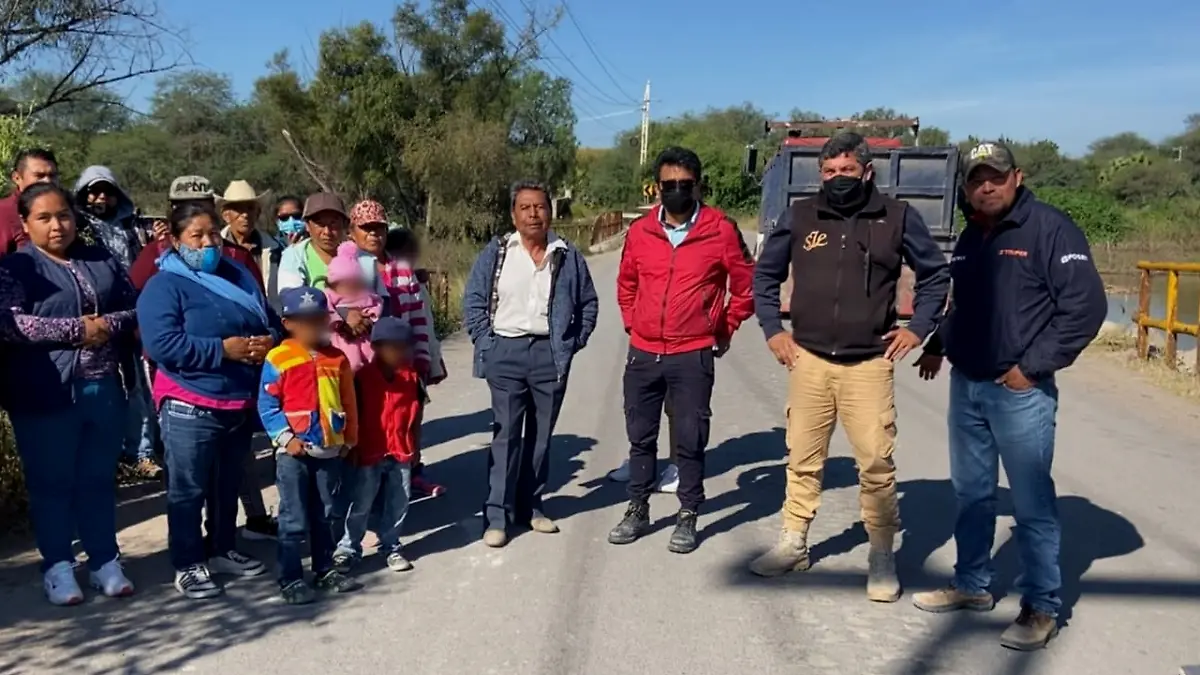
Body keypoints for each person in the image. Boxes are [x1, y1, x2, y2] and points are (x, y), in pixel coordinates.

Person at [910, 142, 1106, 650]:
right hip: (968, 386)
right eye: (977, 180)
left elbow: (1085, 308)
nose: (986, 187)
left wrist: (1031, 368)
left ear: (1016, 177)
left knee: (1031, 504)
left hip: (1019, 392)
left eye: (995, 177)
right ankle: (972, 585)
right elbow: (965, 304)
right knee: (972, 494)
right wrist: (939, 344)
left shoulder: (1050, 228)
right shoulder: (972, 235)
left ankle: (1041, 607)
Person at [749, 132, 951, 600]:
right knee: (802, 458)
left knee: (876, 463)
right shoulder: (801, 215)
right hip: (809, 360)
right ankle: (793, 542)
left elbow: (936, 274)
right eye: (829, 171)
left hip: (869, 365)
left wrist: (918, 328)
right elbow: (765, 275)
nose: (837, 178)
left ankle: (881, 555)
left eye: (847, 170)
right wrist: (773, 330)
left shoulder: (896, 216)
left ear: (867, 172)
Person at [607, 146, 755, 555]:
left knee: (690, 437)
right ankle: (637, 508)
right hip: (644, 352)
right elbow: (626, 283)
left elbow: (746, 286)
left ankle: (688, 513)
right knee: (640, 436)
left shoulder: (720, 230)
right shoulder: (640, 232)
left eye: (684, 184)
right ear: (657, 187)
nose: (675, 190)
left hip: (692, 353)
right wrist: (633, 323)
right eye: (668, 184)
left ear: (698, 186)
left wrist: (724, 326)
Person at [0, 183, 138, 605]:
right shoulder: (17, 268)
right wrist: (77, 329)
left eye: (63, 215)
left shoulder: (100, 258)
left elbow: (134, 306)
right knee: (51, 482)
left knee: (97, 478)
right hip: (44, 391)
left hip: (103, 386)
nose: (57, 225)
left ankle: (104, 561)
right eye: (43, 218)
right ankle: (58, 566)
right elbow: (11, 324)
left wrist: (106, 325)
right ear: (25, 224)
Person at [137, 201, 280, 600]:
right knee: (188, 489)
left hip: (237, 401)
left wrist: (269, 340)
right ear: (176, 240)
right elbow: (162, 344)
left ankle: (221, 548)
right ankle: (187, 563)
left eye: (213, 234)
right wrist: (222, 350)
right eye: (196, 236)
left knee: (225, 484)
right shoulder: (164, 286)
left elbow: (270, 319)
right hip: (191, 402)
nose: (207, 243)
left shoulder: (238, 275)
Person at [463, 180, 599, 548]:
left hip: (548, 355)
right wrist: (486, 343)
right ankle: (496, 515)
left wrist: (571, 343)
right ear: (514, 215)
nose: (533, 214)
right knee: (506, 435)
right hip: (505, 352)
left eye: (540, 207)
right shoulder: (497, 253)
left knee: (540, 439)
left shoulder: (566, 255)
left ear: (550, 212)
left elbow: (588, 303)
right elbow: (474, 299)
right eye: (525, 207)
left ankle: (531, 507)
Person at [258, 286, 362, 604]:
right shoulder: (278, 358)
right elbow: (267, 405)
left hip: (329, 451)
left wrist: (349, 439)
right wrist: (286, 439)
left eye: (318, 319)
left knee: (325, 514)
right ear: (288, 323)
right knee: (293, 517)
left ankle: (324, 570)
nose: (312, 327)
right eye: (304, 321)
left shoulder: (337, 359)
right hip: (294, 455)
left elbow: (349, 401)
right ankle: (290, 578)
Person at [333, 317, 422, 573]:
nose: (400, 352)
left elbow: (417, 414)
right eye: (393, 347)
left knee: (398, 501)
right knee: (361, 503)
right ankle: (348, 549)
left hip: (401, 450)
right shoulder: (362, 378)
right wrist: (352, 447)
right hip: (369, 450)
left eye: (404, 347)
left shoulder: (412, 378)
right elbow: (353, 414)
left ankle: (391, 545)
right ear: (376, 347)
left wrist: (416, 446)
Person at [384, 226, 446, 500]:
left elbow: (425, 325)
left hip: (416, 362)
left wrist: (432, 360)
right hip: (393, 366)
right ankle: (397, 474)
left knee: (414, 418)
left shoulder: (414, 281)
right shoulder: (387, 280)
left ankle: (414, 469)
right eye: (405, 254)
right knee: (396, 422)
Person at [216, 180, 286, 310]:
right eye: (238, 209)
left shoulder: (276, 249)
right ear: (226, 215)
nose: (245, 215)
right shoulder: (215, 249)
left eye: (250, 208)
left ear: (257, 213)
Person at [324, 241, 384, 371]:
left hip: (364, 331)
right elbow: (327, 308)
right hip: (343, 334)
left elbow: (376, 301)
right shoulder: (329, 293)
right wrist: (340, 319)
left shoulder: (363, 291)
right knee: (351, 361)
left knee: (371, 357)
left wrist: (370, 315)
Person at [277, 192, 356, 292]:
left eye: (333, 223)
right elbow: (291, 295)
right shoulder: (294, 256)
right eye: (320, 224)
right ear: (307, 225)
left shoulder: (357, 255)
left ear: (344, 224)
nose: (327, 232)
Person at [0, 148, 59, 256]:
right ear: (17, 178)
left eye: (52, 175)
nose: (47, 181)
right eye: (39, 176)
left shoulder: (65, 210)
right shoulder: (4, 212)